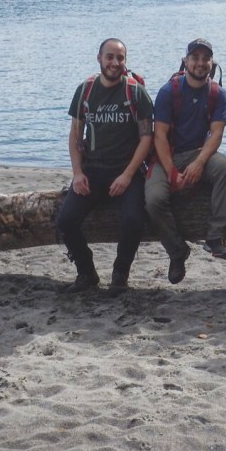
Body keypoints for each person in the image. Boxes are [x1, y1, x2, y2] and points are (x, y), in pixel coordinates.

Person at [55, 38, 153, 294]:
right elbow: (75, 135)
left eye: (120, 58)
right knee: (65, 221)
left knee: (134, 220)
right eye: (109, 57)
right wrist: (77, 173)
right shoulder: (85, 90)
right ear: (99, 58)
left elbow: (146, 137)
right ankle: (86, 272)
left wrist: (127, 175)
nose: (114, 63)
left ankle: (120, 275)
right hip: (92, 170)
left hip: (127, 171)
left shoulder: (135, 92)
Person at [145, 38, 226, 285]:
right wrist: (172, 171)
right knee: (153, 200)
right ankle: (177, 252)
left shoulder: (218, 94)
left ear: (211, 62)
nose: (200, 63)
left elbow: (216, 133)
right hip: (168, 155)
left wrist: (198, 163)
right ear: (186, 61)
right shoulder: (168, 92)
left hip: (198, 153)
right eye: (195, 58)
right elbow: (159, 136)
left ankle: (216, 237)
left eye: (205, 58)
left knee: (225, 169)